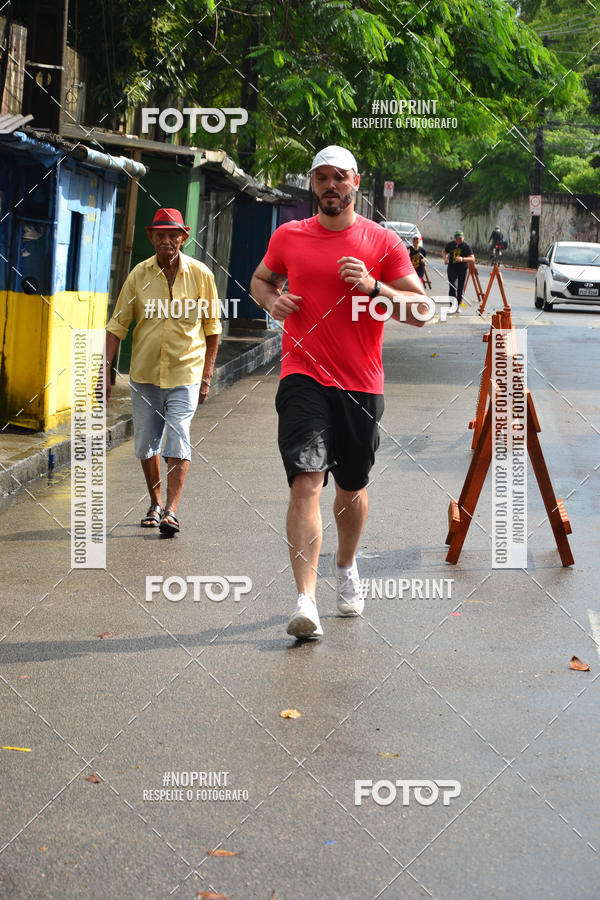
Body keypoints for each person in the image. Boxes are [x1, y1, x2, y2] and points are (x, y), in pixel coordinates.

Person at [250, 145, 428, 639]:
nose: (331, 185)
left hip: (361, 384)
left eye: (339, 177)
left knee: (351, 488)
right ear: (313, 184)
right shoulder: (289, 236)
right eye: (321, 177)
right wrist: (272, 300)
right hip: (302, 375)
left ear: (355, 182)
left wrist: (375, 288)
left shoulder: (383, 241)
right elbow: (260, 278)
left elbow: (420, 309)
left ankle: (346, 566)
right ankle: (305, 600)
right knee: (306, 480)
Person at [102, 208, 221, 536]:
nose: (166, 240)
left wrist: (207, 376)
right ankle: (155, 502)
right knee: (145, 443)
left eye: (173, 235)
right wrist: (104, 372)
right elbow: (117, 326)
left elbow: (212, 329)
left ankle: (171, 509)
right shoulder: (138, 275)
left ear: (184, 237)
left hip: (186, 373)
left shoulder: (201, 275)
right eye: (160, 235)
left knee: (179, 435)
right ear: (151, 238)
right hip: (144, 375)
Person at [442, 230, 474, 311]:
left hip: (462, 269)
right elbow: (444, 251)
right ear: (455, 238)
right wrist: (445, 259)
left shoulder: (466, 246)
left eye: (460, 238)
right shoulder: (451, 244)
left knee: (460, 288)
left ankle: (458, 306)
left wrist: (462, 259)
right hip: (452, 268)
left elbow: (472, 258)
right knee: (452, 286)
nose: (458, 240)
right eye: (457, 238)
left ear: (463, 238)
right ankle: (452, 306)